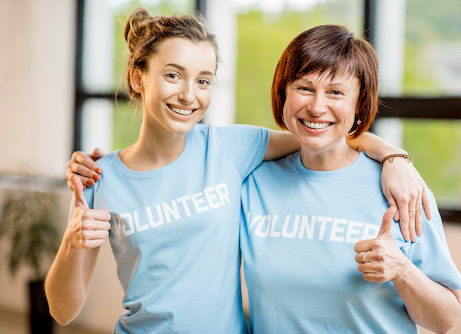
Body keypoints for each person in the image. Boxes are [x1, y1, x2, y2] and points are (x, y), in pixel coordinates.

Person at [47, 8, 429, 334]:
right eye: (172, 75)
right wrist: (73, 241)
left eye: (203, 81)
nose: (188, 95)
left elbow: (320, 131)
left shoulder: (229, 147)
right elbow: (63, 312)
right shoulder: (99, 178)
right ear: (137, 78)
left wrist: (396, 157)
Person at [240, 24, 461, 334]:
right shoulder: (252, 185)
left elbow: (445, 320)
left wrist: (402, 270)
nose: (317, 107)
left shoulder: (401, 190)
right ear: (283, 95)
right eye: (304, 88)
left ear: (359, 105)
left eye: (336, 92)